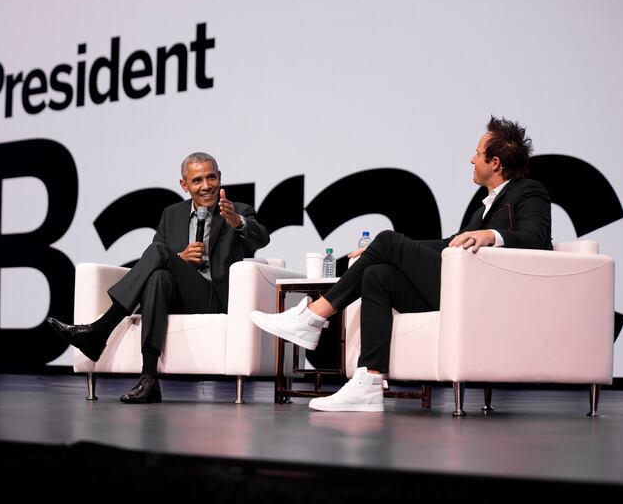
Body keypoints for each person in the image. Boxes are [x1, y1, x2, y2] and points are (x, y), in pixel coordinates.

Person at [250, 116, 552, 412]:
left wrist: (492, 235)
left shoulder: (529, 191)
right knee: (378, 275)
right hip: (460, 289)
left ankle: (314, 316)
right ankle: (369, 381)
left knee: (387, 240)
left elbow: (537, 238)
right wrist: (382, 251)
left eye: (477, 153)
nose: (471, 159)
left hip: (483, 295)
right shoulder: (484, 206)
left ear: (496, 162)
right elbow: (451, 243)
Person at [48, 152, 270, 403]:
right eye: (197, 180)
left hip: (212, 299)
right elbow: (156, 261)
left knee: (158, 253)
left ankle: (100, 331)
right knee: (157, 279)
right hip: (173, 296)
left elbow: (261, 238)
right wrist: (180, 257)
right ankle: (149, 379)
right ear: (184, 185)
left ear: (220, 178)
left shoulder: (237, 210)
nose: (206, 186)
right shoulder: (172, 214)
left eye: (211, 178)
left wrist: (236, 221)